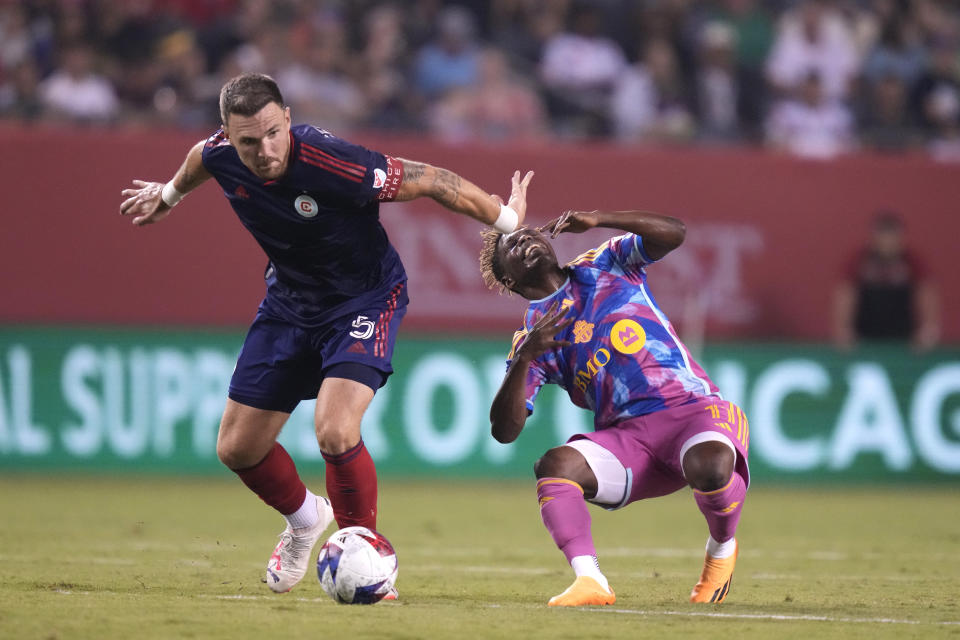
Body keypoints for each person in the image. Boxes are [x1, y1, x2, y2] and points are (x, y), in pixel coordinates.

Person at [119, 72, 533, 596]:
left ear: (287, 119)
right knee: (237, 449)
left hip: (365, 298)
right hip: (289, 304)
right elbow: (201, 156)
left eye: (273, 132)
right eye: (248, 140)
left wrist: (507, 219)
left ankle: (369, 558)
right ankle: (303, 520)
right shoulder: (221, 152)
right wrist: (170, 194)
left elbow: (432, 179)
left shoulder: (335, 163)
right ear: (229, 133)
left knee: (335, 430)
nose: (264, 150)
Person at [480, 210, 749, 607]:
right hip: (630, 441)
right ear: (509, 279)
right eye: (512, 246)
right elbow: (505, 431)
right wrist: (524, 359)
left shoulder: (605, 263)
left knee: (710, 467)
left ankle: (722, 551)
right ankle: (591, 581)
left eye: (527, 233)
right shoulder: (531, 340)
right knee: (554, 466)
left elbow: (675, 233)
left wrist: (601, 218)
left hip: (692, 410)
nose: (524, 241)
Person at [833, 211, 940, 351]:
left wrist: (928, 329)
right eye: (883, 237)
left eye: (892, 237)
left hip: (903, 334)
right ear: (874, 238)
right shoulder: (860, 260)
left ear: (901, 237)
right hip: (865, 332)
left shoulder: (911, 261)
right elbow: (846, 294)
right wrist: (843, 329)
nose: (888, 242)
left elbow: (926, 293)